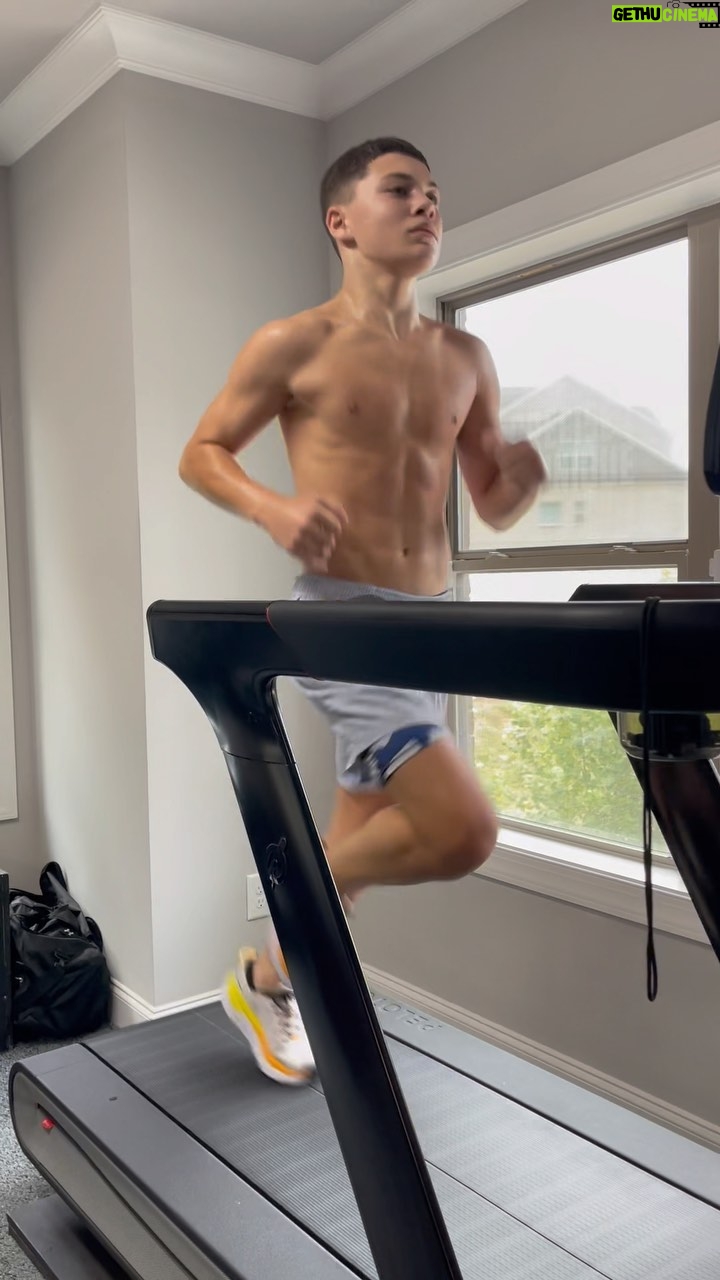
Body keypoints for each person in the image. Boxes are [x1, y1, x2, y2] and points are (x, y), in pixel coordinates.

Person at [179, 137, 546, 1086]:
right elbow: (203, 453)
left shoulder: (464, 356)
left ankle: (275, 983)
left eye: (434, 193)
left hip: (433, 623)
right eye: (401, 190)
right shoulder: (293, 343)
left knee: (361, 831)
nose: (427, 205)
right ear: (340, 221)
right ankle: (275, 957)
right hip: (344, 620)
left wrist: (520, 480)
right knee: (462, 832)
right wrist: (272, 508)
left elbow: (491, 498)